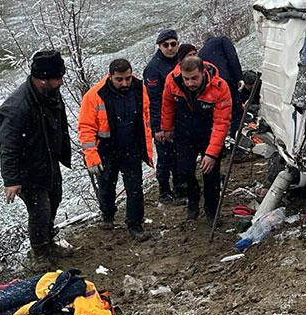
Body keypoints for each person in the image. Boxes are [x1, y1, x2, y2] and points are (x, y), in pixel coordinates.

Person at [0, 50, 74, 262]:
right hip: (28, 170)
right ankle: (40, 254)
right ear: (41, 78)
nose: (61, 81)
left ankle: (48, 243)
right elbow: (9, 146)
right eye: (57, 78)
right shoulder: (18, 107)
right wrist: (11, 180)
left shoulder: (50, 93)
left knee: (55, 200)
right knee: (40, 211)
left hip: (48, 161)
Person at [78, 58, 154, 241]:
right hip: (106, 149)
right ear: (110, 76)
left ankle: (135, 224)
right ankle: (108, 215)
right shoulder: (94, 95)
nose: (124, 83)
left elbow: (146, 113)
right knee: (106, 186)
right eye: (119, 79)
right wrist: (92, 157)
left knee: (135, 188)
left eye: (127, 78)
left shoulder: (138, 87)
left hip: (131, 147)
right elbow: (86, 127)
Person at [160, 56, 232, 223]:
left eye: (194, 78)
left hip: (209, 134)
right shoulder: (172, 80)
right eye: (187, 79)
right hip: (184, 133)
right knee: (183, 172)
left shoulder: (219, 87)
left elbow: (222, 123)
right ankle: (193, 197)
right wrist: (167, 127)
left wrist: (212, 154)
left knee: (211, 174)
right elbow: (167, 104)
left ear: (203, 72)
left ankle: (211, 210)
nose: (190, 83)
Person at [143, 28, 183, 205]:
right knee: (165, 157)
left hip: (180, 117)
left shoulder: (180, 62)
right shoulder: (153, 68)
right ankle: (164, 191)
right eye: (165, 45)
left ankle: (180, 187)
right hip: (162, 120)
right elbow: (153, 101)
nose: (169, 48)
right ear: (159, 46)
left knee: (180, 155)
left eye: (173, 44)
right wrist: (158, 127)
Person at [199, 35, 244, 134]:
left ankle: (225, 138)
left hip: (213, 87)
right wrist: (239, 77)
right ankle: (236, 135)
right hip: (226, 80)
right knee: (236, 110)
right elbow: (232, 58)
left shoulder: (201, 53)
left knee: (222, 113)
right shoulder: (222, 40)